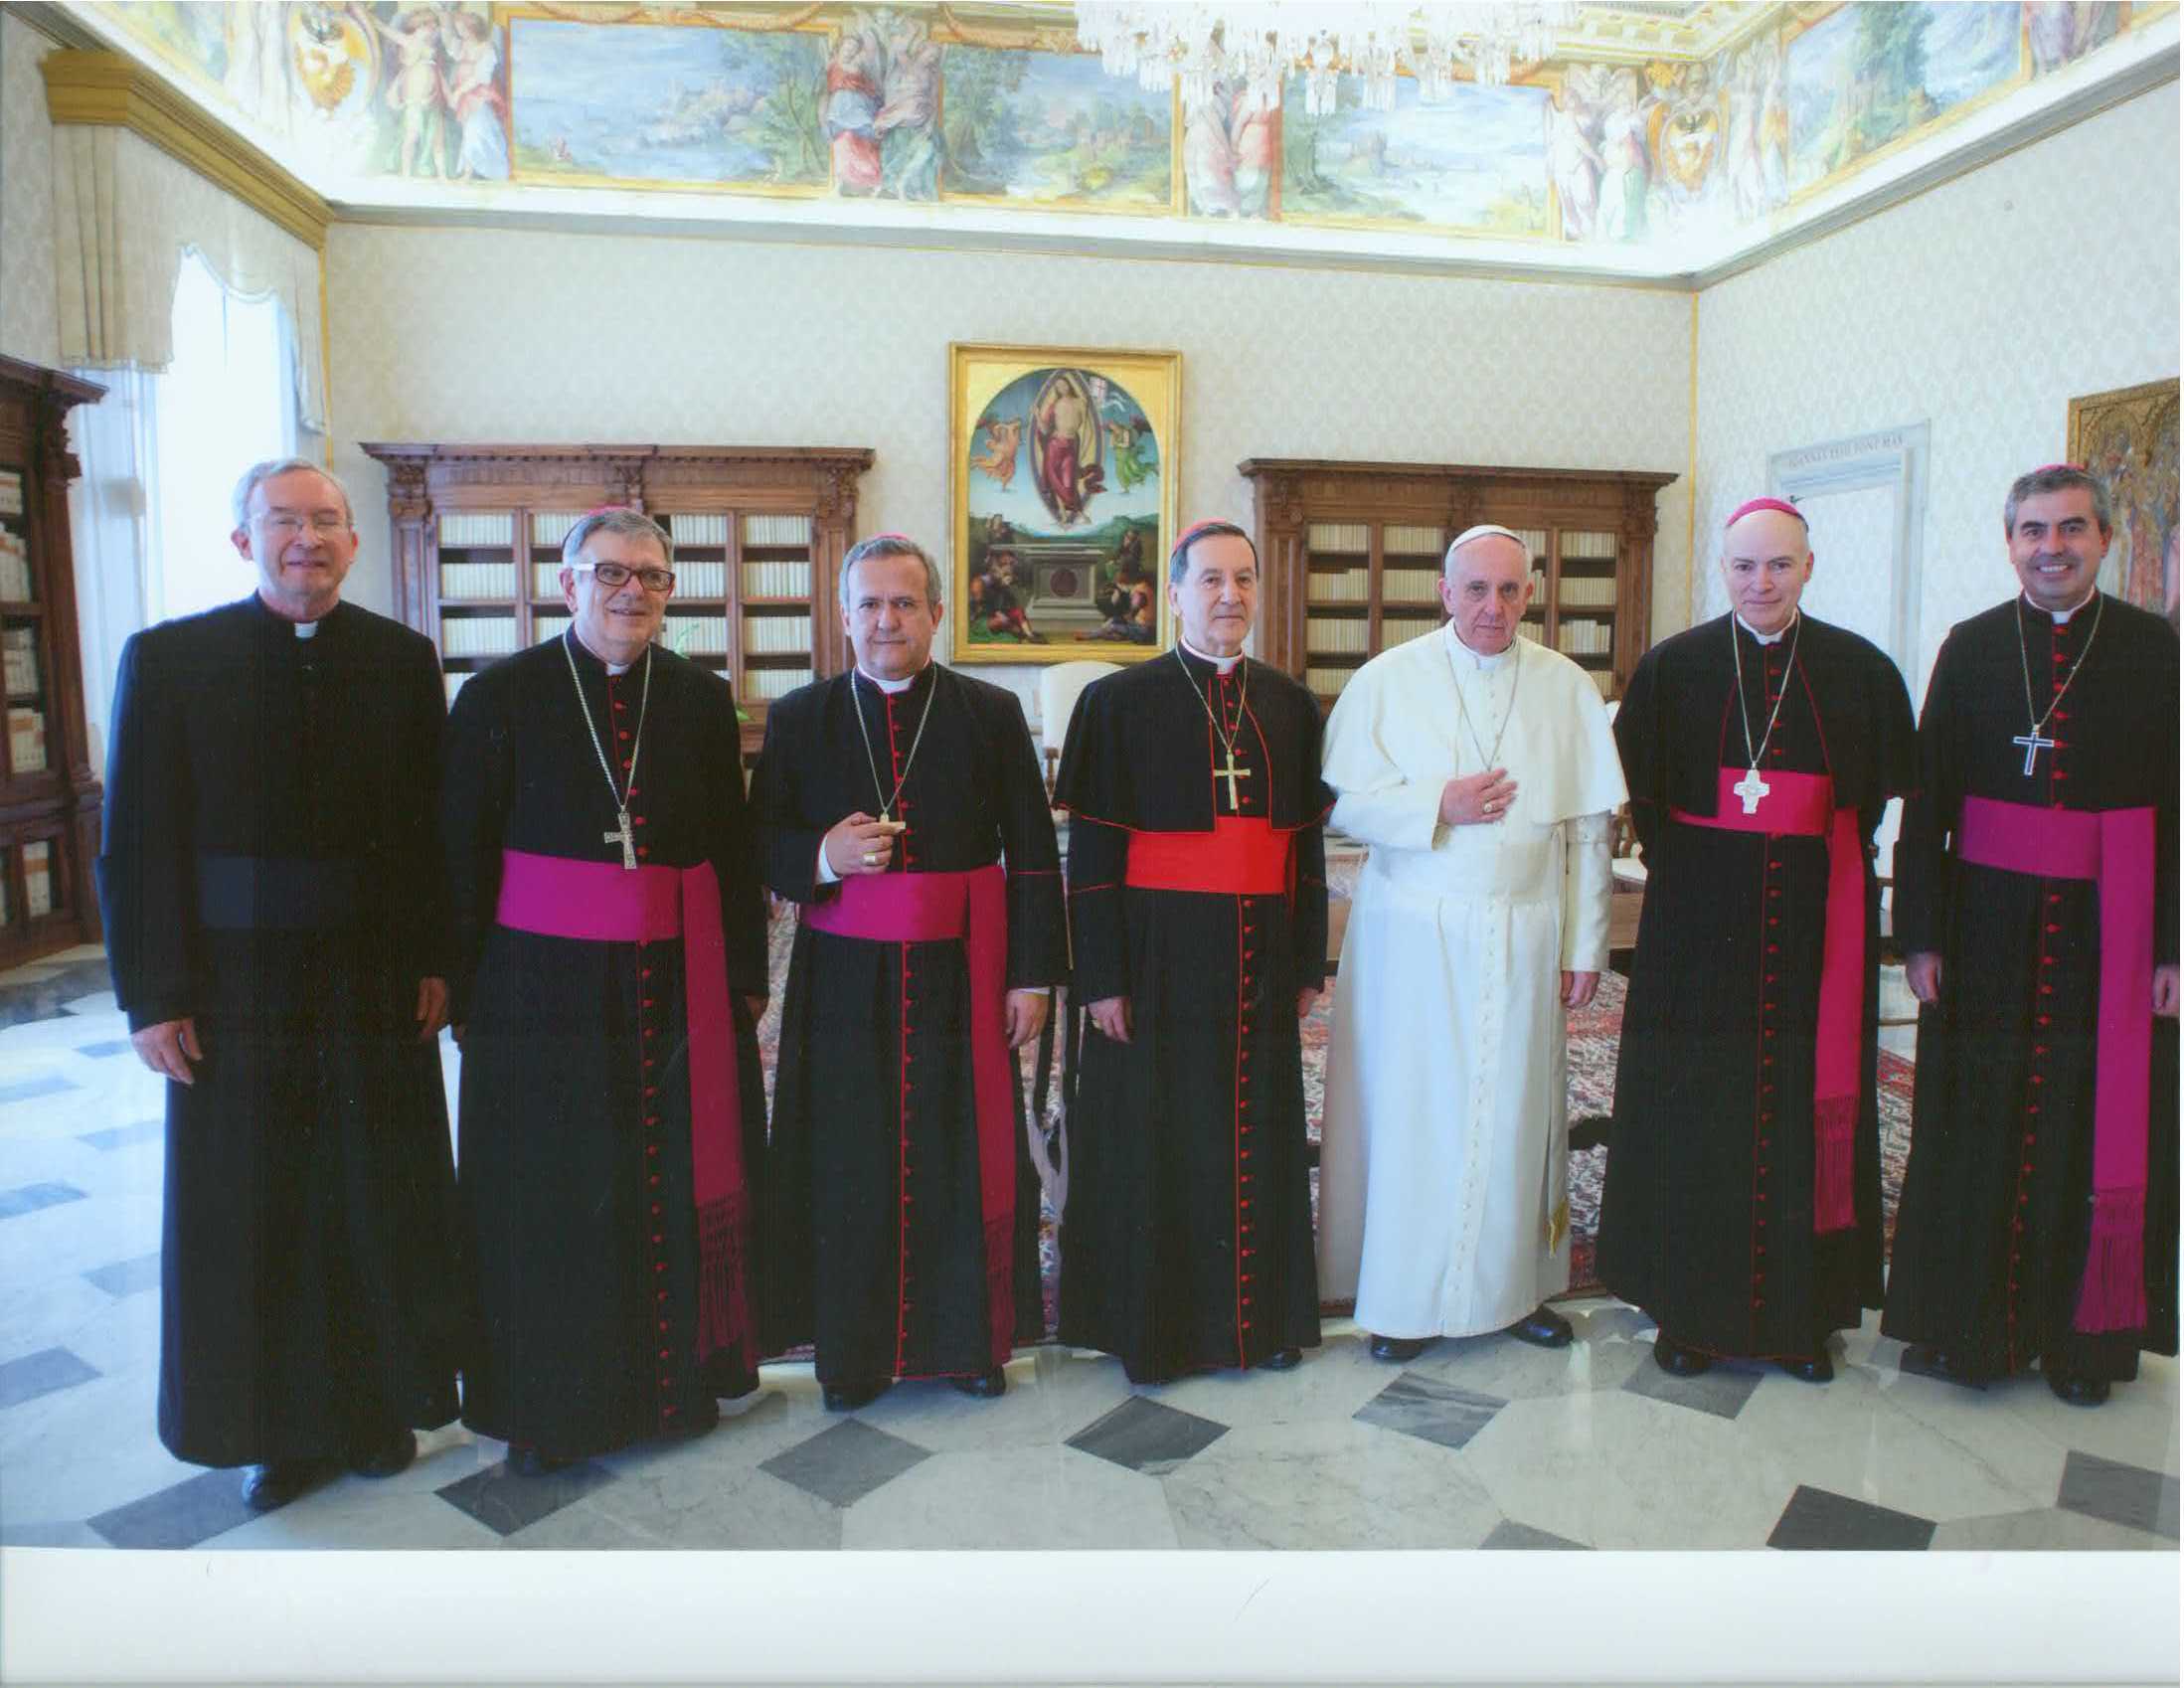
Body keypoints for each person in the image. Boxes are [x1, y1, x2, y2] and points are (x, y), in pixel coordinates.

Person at [98, 457, 459, 1512]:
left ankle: (379, 1408)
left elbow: (429, 830)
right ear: (243, 539)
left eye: (326, 521)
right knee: (260, 1207)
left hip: (371, 980)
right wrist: (153, 993)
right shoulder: (170, 659)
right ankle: (275, 1434)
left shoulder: (400, 660)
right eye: (285, 521)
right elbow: (136, 841)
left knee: (374, 1194)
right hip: (233, 989)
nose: (307, 538)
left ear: (354, 541)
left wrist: (435, 958)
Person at [441, 508, 768, 1471]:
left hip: (671, 983)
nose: (632, 592)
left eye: (652, 576)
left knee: (662, 1181)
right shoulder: (498, 695)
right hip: (537, 993)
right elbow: (458, 857)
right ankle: (550, 1410)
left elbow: (732, 851)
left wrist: (745, 977)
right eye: (611, 572)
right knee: (552, 1197)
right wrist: (465, 995)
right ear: (567, 583)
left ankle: (673, 1392)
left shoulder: (701, 700)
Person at [1597, 497, 1916, 1382]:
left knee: (1805, 1107)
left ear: (1808, 567)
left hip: (1819, 926)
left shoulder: (1858, 668)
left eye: (1778, 565)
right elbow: (1645, 801)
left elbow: (1872, 803)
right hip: (1698, 928)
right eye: (1743, 566)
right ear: (1722, 571)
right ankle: (1690, 1314)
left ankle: (1801, 1320)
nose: (1760, 583)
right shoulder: (1673, 667)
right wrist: (1703, 875)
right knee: (1696, 1106)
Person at [1884, 464, 2179, 1406]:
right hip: (1983, 928)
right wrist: (1919, 936)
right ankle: (1966, 1330)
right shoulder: (1971, 646)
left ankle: (2081, 1345)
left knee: (2088, 1131)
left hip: (2109, 932)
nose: (2052, 548)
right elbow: (1927, 800)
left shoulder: (2155, 650)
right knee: (1974, 1124)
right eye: (2033, 531)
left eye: (2071, 529)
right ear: (2008, 542)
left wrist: (2171, 947)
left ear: (2104, 539)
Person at [754, 534, 1065, 1410]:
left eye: (904, 603)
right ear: (843, 616)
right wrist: (823, 853)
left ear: (936, 613)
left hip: (959, 972)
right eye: (869, 604)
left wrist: (1030, 976)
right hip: (841, 978)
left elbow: (1031, 851)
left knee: (958, 1155)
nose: (886, 619)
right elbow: (760, 843)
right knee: (847, 1157)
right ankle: (852, 1355)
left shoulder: (988, 713)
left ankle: (965, 1344)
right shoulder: (801, 716)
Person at [1317, 525, 1625, 1360]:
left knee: (1515, 1112)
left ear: (1531, 594)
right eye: (1477, 589)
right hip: (1414, 936)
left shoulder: (1565, 686)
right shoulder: (1387, 679)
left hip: (1527, 932)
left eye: (1510, 589)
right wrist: (1436, 806)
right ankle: (1402, 1302)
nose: (1493, 607)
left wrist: (1584, 947)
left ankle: (1512, 1292)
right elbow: (1344, 805)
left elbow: (1588, 831)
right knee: (1417, 1112)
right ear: (1444, 592)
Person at [1054, 521, 1331, 1383]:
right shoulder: (1116, 702)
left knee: (1256, 1132)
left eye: (1243, 579)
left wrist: (1307, 962)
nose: (1229, 596)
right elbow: (1092, 861)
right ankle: (1155, 1333)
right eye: (1210, 580)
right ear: (1172, 595)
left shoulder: (1289, 703)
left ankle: (1260, 1324)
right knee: (1156, 1138)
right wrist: (1101, 978)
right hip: (1155, 955)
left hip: (1259, 953)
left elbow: (1303, 852)